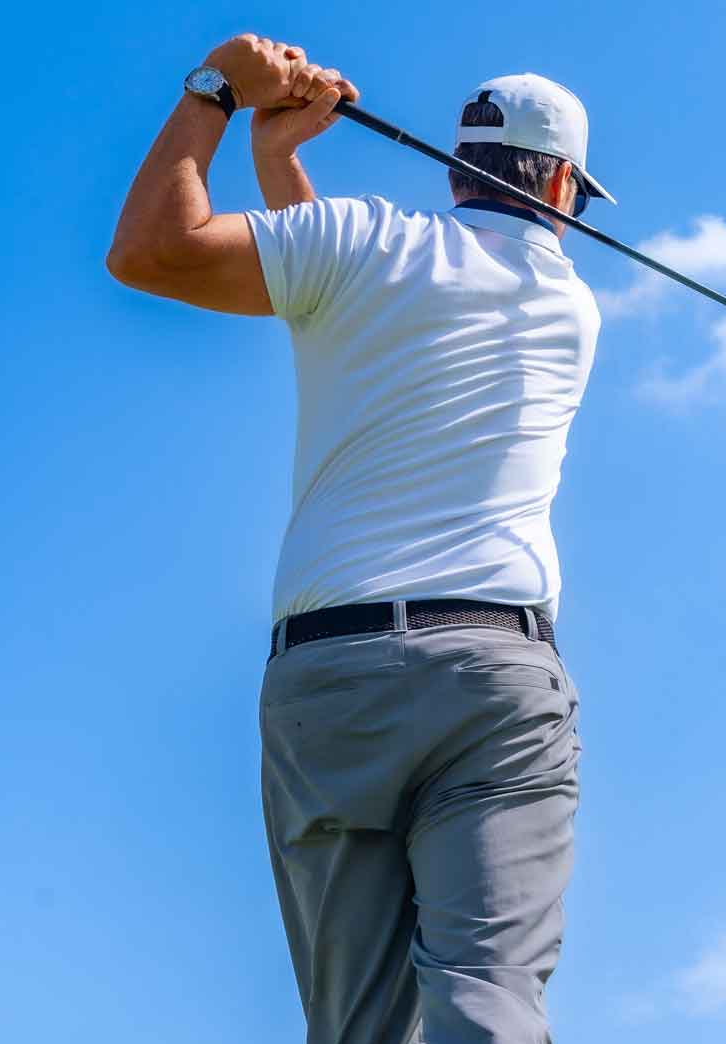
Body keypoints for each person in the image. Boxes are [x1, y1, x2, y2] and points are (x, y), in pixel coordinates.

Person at [107, 33, 610, 1044]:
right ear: (557, 179)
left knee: (358, 1028)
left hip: (330, 677)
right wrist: (280, 161)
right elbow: (345, 301)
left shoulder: (360, 243)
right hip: (492, 678)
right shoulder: (567, 301)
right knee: (488, 995)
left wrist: (220, 94)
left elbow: (159, 254)